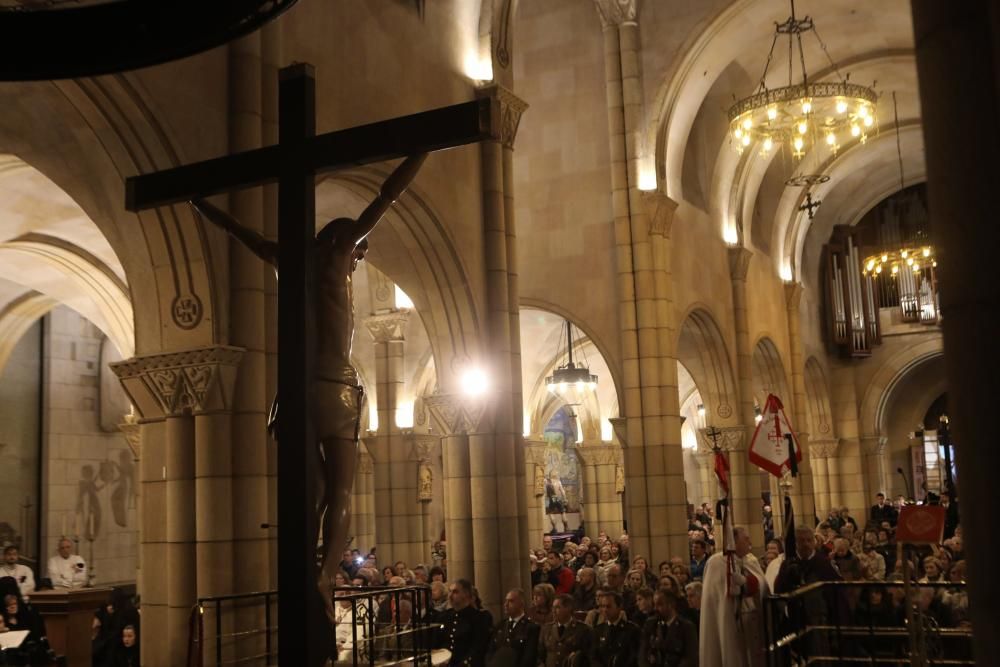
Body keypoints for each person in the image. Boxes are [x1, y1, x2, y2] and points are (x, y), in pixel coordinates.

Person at [191, 152, 428, 593]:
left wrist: (197, 201)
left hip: (293, 395)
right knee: (340, 491)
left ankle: (298, 565)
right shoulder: (339, 253)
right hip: (335, 388)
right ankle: (322, 577)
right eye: (361, 252)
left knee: (312, 492)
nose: (360, 258)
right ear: (347, 241)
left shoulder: (286, 258)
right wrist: (425, 148)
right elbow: (386, 196)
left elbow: (236, 229)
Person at [699, 526, 767, 667]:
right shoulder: (716, 563)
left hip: (752, 622)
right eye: (746, 539)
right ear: (734, 541)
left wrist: (747, 583)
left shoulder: (751, 560)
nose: (750, 542)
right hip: (728, 620)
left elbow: (763, 585)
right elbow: (716, 596)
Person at [437, 579, 491, 666]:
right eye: (450, 591)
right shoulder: (444, 616)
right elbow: (438, 643)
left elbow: (478, 648)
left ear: (466, 594)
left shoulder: (479, 618)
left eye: (455, 592)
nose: (450, 596)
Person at [639, 588, 698, 667]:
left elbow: (690, 658)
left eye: (659, 604)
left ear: (671, 604)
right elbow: (643, 654)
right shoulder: (650, 624)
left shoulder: (687, 627)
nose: (655, 608)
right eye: (654, 604)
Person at [487, 588, 539, 667]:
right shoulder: (500, 625)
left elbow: (529, 658)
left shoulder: (530, 628)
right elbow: (491, 650)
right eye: (506, 601)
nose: (506, 604)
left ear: (521, 604)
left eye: (511, 601)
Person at [538, 594, 592, 667]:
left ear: (568, 608)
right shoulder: (546, 628)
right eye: (553, 607)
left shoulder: (583, 629)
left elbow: (587, 657)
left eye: (557, 607)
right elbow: (540, 654)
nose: (553, 611)